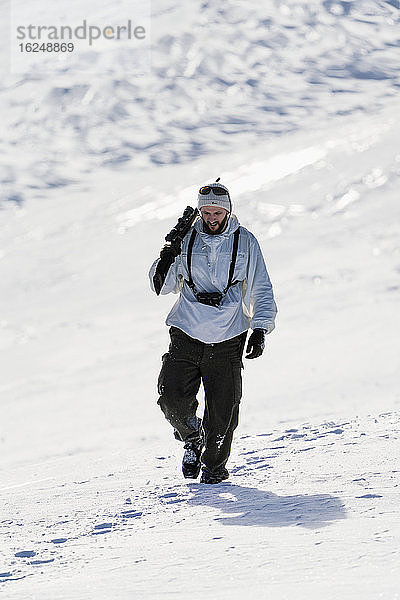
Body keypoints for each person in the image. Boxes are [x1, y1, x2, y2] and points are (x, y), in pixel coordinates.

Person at [149, 180, 277, 484]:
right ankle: (193, 436)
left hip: (228, 337)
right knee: (171, 399)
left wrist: (260, 327)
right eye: (206, 212)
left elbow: (260, 286)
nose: (211, 217)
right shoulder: (187, 239)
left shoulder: (245, 242)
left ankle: (213, 472)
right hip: (187, 331)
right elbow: (160, 286)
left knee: (223, 414)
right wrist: (168, 251)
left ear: (228, 211)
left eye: (217, 212)